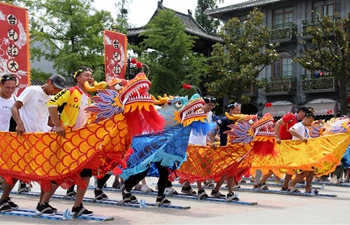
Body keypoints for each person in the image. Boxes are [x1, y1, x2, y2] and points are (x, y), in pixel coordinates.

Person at [0, 74, 66, 212]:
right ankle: (4, 199)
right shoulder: (32, 90)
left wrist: (59, 125)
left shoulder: (52, 98)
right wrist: (19, 123)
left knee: (46, 172)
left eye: (59, 90)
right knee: (16, 171)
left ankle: (42, 204)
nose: (55, 91)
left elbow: (47, 119)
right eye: (54, 87)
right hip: (25, 138)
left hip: (41, 139)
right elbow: (14, 108)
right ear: (48, 81)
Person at [46, 66, 94, 217]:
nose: (90, 78)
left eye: (91, 76)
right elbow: (51, 104)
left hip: (82, 142)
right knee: (61, 172)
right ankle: (43, 203)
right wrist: (58, 125)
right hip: (67, 139)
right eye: (86, 75)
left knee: (86, 173)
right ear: (78, 78)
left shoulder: (89, 97)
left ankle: (77, 206)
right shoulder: (70, 91)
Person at [256, 106, 309, 190]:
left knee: (290, 166)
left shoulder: (300, 122)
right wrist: (277, 137)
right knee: (277, 165)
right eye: (305, 114)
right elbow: (278, 124)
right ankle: (261, 182)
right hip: (282, 145)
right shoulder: (290, 116)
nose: (305, 117)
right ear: (301, 112)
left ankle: (285, 186)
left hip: (291, 147)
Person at [181, 95, 217, 199]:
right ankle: (200, 189)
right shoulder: (196, 112)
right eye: (209, 105)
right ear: (204, 103)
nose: (210, 107)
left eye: (212, 106)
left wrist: (212, 142)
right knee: (198, 167)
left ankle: (186, 186)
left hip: (202, 144)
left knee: (198, 167)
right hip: (192, 143)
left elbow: (209, 129)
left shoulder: (209, 113)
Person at [210, 102, 241, 201]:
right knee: (226, 172)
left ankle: (223, 191)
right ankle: (225, 192)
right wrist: (212, 142)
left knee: (231, 172)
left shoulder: (239, 120)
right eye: (236, 110)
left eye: (239, 110)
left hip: (234, 149)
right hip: (224, 149)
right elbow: (212, 129)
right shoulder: (223, 119)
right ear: (230, 110)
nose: (238, 112)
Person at [0, 74, 18, 212]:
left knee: (12, 170)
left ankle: (4, 199)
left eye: (13, 87)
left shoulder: (14, 100)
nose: (10, 90)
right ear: (1, 85)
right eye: (7, 88)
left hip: (6, 140)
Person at [287, 108, 316, 193]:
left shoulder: (306, 128)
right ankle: (291, 185)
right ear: (306, 118)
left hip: (305, 152)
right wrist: (301, 137)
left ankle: (308, 188)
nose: (310, 123)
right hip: (298, 152)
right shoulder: (299, 125)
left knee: (311, 170)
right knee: (305, 172)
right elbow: (291, 130)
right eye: (310, 121)